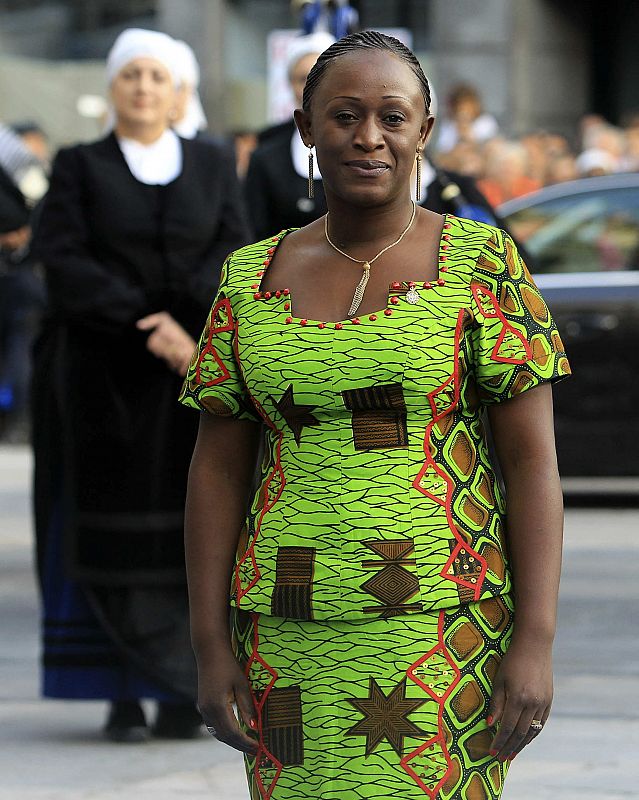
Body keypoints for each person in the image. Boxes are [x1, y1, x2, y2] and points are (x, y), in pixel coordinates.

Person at [181, 31, 569, 799]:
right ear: (304, 129)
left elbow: (531, 462)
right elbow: (216, 467)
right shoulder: (248, 277)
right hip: (284, 625)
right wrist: (207, 644)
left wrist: (534, 640)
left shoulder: (482, 262)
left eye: (391, 117)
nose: (367, 137)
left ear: (423, 132)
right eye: (343, 115)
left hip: (444, 624)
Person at [33, 28, 249, 743]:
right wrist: (141, 323)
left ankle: (178, 692)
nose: (143, 88)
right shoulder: (79, 165)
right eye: (130, 74)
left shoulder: (213, 165)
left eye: (157, 75)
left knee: (190, 528)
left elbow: (234, 252)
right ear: (113, 87)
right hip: (101, 379)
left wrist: (188, 328)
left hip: (190, 376)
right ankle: (117, 691)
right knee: (104, 534)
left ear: (179, 90)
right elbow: (61, 258)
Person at [244, 32, 334, 240]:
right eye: (303, 78)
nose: (311, 87)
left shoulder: (365, 143)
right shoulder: (266, 156)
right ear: (290, 85)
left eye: (320, 76)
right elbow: (253, 230)